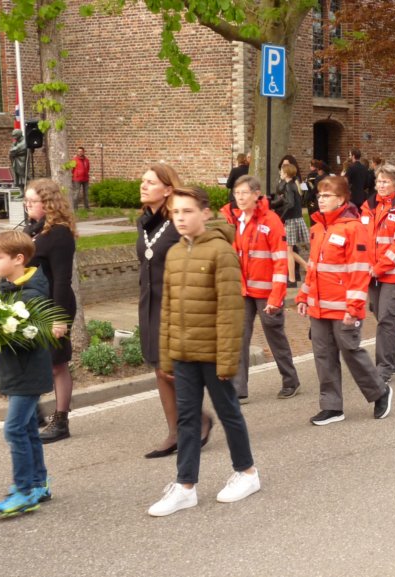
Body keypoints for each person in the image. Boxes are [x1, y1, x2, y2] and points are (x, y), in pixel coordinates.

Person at [148, 186, 260, 517]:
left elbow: (230, 312)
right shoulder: (174, 253)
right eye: (176, 212)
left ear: (206, 213)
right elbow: (167, 309)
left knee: (228, 414)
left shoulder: (221, 253)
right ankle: (185, 487)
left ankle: (247, 472)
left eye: (187, 211)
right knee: (187, 419)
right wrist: (167, 355)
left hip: (213, 353)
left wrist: (228, 360)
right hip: (183, 353)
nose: (180, 218)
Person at [295, 175, 393, 425]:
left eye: (326, 196)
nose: (321, 200)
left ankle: (379, 391)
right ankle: (331, 406)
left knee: (351, 351)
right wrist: (304, 295)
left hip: (343, 307)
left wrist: (354, 307)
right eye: (319, 195)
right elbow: (314, 268)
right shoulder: (318, 229)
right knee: (323, 355)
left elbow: (359, 270)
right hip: (319, 306)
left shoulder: (354, 228)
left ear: (341, 199)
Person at [137, 164, 213, 459]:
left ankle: (197, 420)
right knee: (159, 369)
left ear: (167, 189)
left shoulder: (177, 223)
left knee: (172, 370)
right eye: (143, 181)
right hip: (149, 303)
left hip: (175, 305)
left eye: (150, 182)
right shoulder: (143, 222)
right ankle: (174, 431)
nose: (143, 186)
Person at [0, 231, 55, 517]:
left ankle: (24, 491)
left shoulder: (31, 293)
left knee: (14, 429)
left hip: (28, 373)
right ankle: (39, 483)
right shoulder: (9, 287)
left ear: (18, 259)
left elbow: (31, 335)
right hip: (16, 371)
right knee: (27, 430)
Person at [219, 175, 302, 402]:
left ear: (257, 195)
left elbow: (279, 261)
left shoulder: (271, 221)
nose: (240, 198)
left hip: (267, 293)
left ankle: (290, 380)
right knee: (239, 337)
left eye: (245, 193)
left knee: (275, 337)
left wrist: (277, 296)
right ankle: (238, 389)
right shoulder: (233, 220)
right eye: (237, 194)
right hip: (243, 291)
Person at [23, 179, 76, 443]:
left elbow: (63, 279)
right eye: (26, 201)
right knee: (32, 359)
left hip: (55, 304)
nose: (27, 206)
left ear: (48, 203)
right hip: (32, 305)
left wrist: (58, 317)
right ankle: (34, 412)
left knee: (57, 364)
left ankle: (61, 420)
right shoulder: (34, 230)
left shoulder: (59, 234)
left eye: (32, 201)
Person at [361, 163, 395, 385]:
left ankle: (384, 368)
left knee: (386, 319)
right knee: (382, 315)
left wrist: (378, 267)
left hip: (393, 274)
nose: (381, 185)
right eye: (378, 181)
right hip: (372, 274)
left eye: (385, 181)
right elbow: (362, 240)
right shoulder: (368, 207)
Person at [269, 160, 309, 288]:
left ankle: (292, 278)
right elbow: (287, 201)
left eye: (281, 171)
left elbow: (290, 204)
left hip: (291, 220)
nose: (280, 173)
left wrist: (281, 217)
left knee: (288, 250)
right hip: (295, 218)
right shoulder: (293, 185)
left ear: (286, 173)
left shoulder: (289, 186)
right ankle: (305, 268)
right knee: (288, 250)